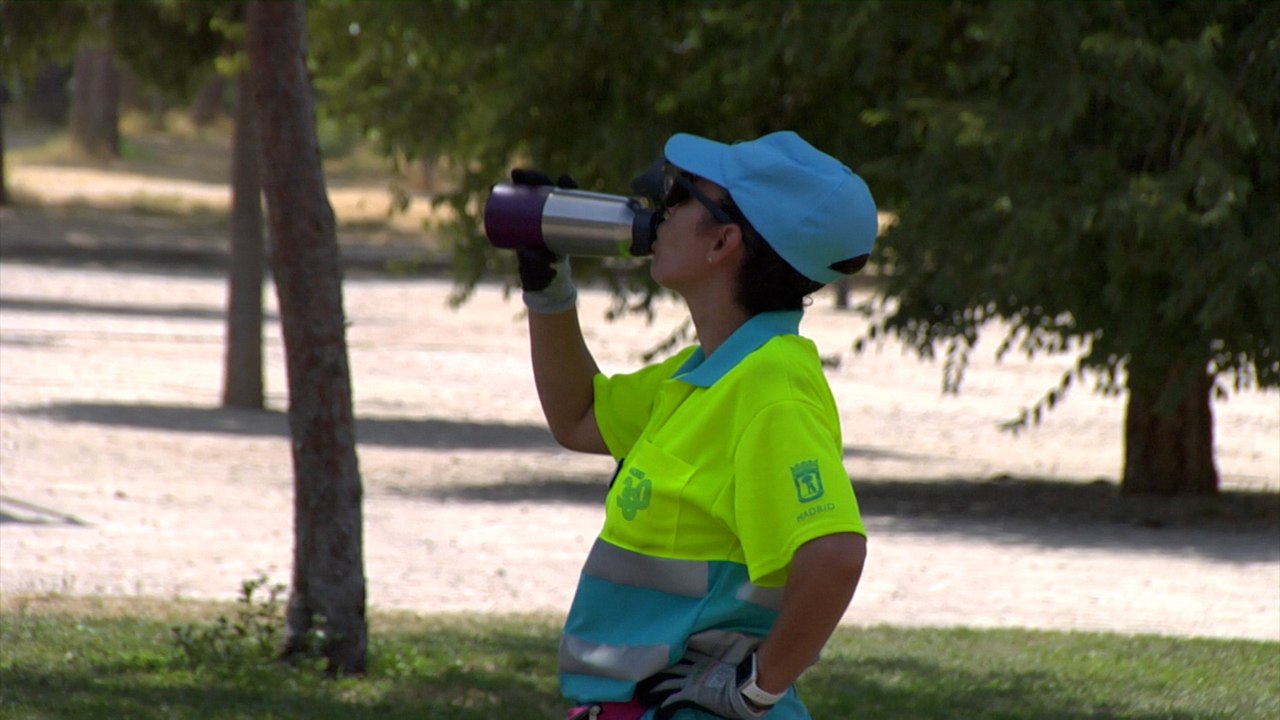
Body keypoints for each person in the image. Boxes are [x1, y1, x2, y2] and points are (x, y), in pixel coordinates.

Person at [513, 131, 876, 719]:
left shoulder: (770, 387)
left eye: (680, 196)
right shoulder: (703, 374)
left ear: (723, 242)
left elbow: (834, 554)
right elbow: (577, 416)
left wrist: (757, 690)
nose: (661, 209)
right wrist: (546, 282)